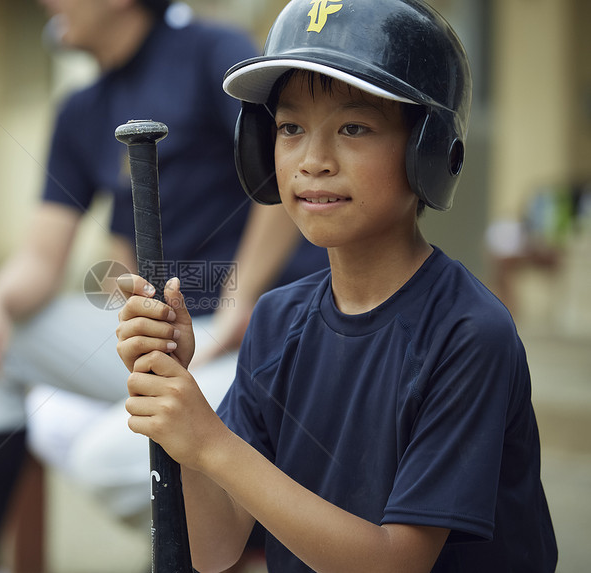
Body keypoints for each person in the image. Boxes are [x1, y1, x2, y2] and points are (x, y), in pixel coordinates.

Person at [115, 0, 559, 571]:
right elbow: (214, 547)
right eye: (291, 128)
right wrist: (183, 409)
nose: (313, 160)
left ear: (427, 149)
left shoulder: (469, 334)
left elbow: (394, 563)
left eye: (354, 127)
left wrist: (212, 443)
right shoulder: (277, 321)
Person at [0, 0, 327, 571]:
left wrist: (238, 299)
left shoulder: (210, 54)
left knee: (103, 459)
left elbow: (288, 162)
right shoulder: (80, 109)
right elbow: (45, 257)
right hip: (174, 336)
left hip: (254, 335)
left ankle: (249, 544)